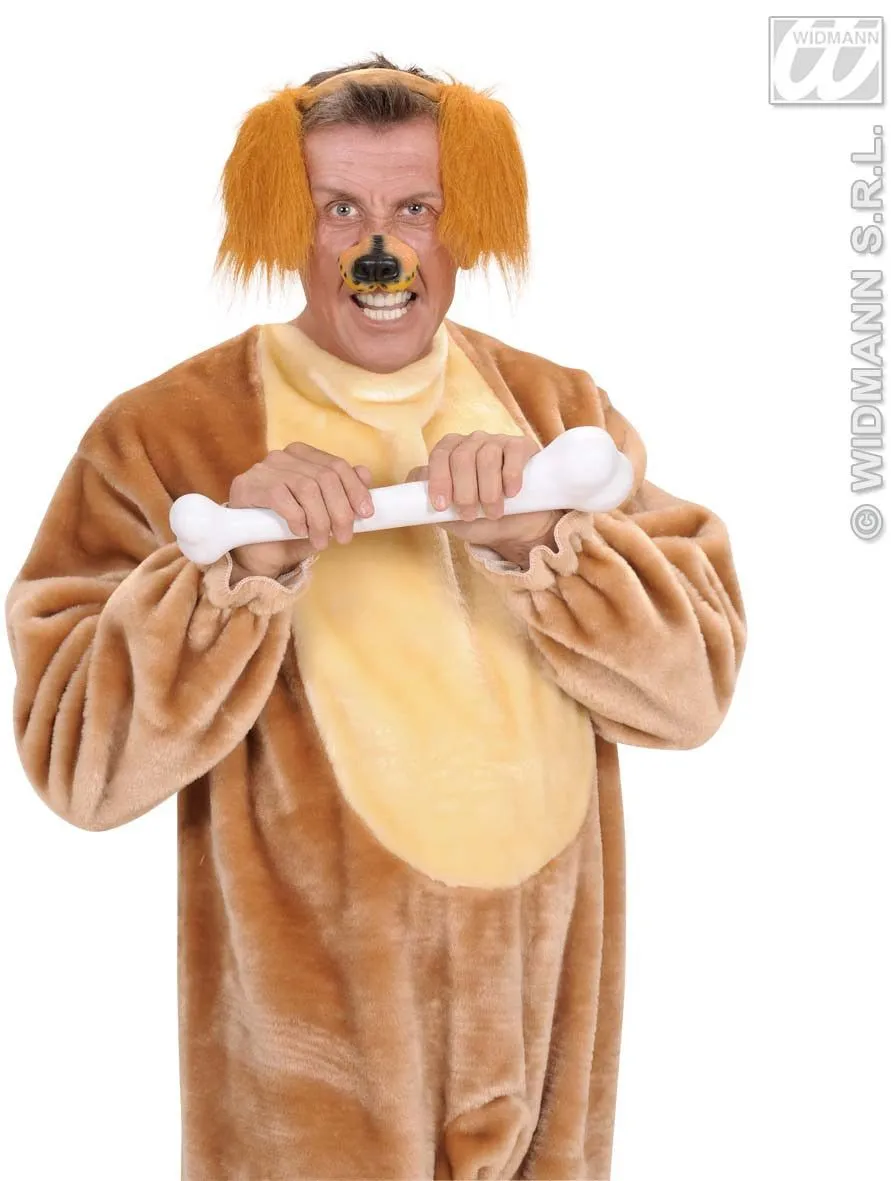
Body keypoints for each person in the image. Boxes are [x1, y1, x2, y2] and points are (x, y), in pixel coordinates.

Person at [4, 55, 747, 1181]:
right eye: (338, 209)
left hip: (546, 1005)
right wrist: (233, 569)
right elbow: (79, 766)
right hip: (314, 1040)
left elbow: (689, 696)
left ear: (463, 226)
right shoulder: (164, 435)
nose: (380, 248)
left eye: (417, 209)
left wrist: (540, 541)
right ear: (285, 225)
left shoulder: (560, 413)